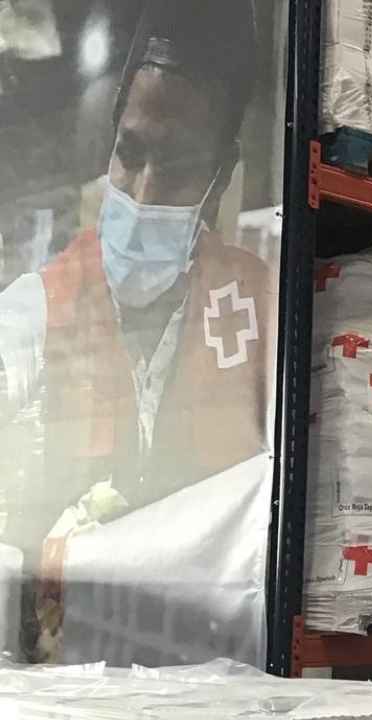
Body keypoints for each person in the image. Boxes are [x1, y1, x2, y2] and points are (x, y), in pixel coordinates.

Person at [0, 0, 270, 659]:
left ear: (220, 178)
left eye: (176, 167)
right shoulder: (34, 312)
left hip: (214, 674)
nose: (143, 192)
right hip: (65, 669)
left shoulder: (261, 308)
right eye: (130, 154)